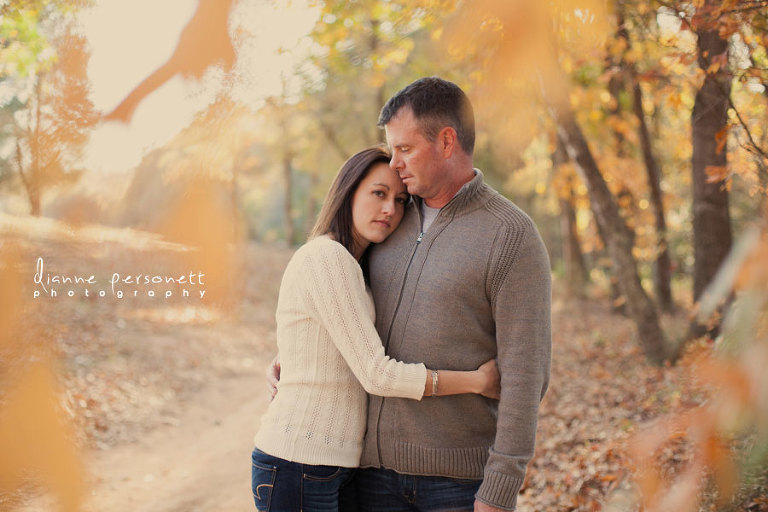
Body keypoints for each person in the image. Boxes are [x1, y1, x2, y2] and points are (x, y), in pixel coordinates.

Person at [271, 77, 552, 511]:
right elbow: (337, 304)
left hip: (457, 484)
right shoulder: (390, 219)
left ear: (445, 141)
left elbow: (525, 375)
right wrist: (294, 357)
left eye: (404, 148)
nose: (395, 162)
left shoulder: (511, 235)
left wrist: (500, 489)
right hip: (366, 476)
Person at [251, 146, 501, 512]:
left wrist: (287, 356)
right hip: (298, 464)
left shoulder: (356, 267)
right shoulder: (328, 257)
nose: (390, 209)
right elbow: (377, 374)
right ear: (348, 191)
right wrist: (477, 382)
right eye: (378, 193)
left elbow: (329, 338)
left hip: (334, 467)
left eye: (400, 200)